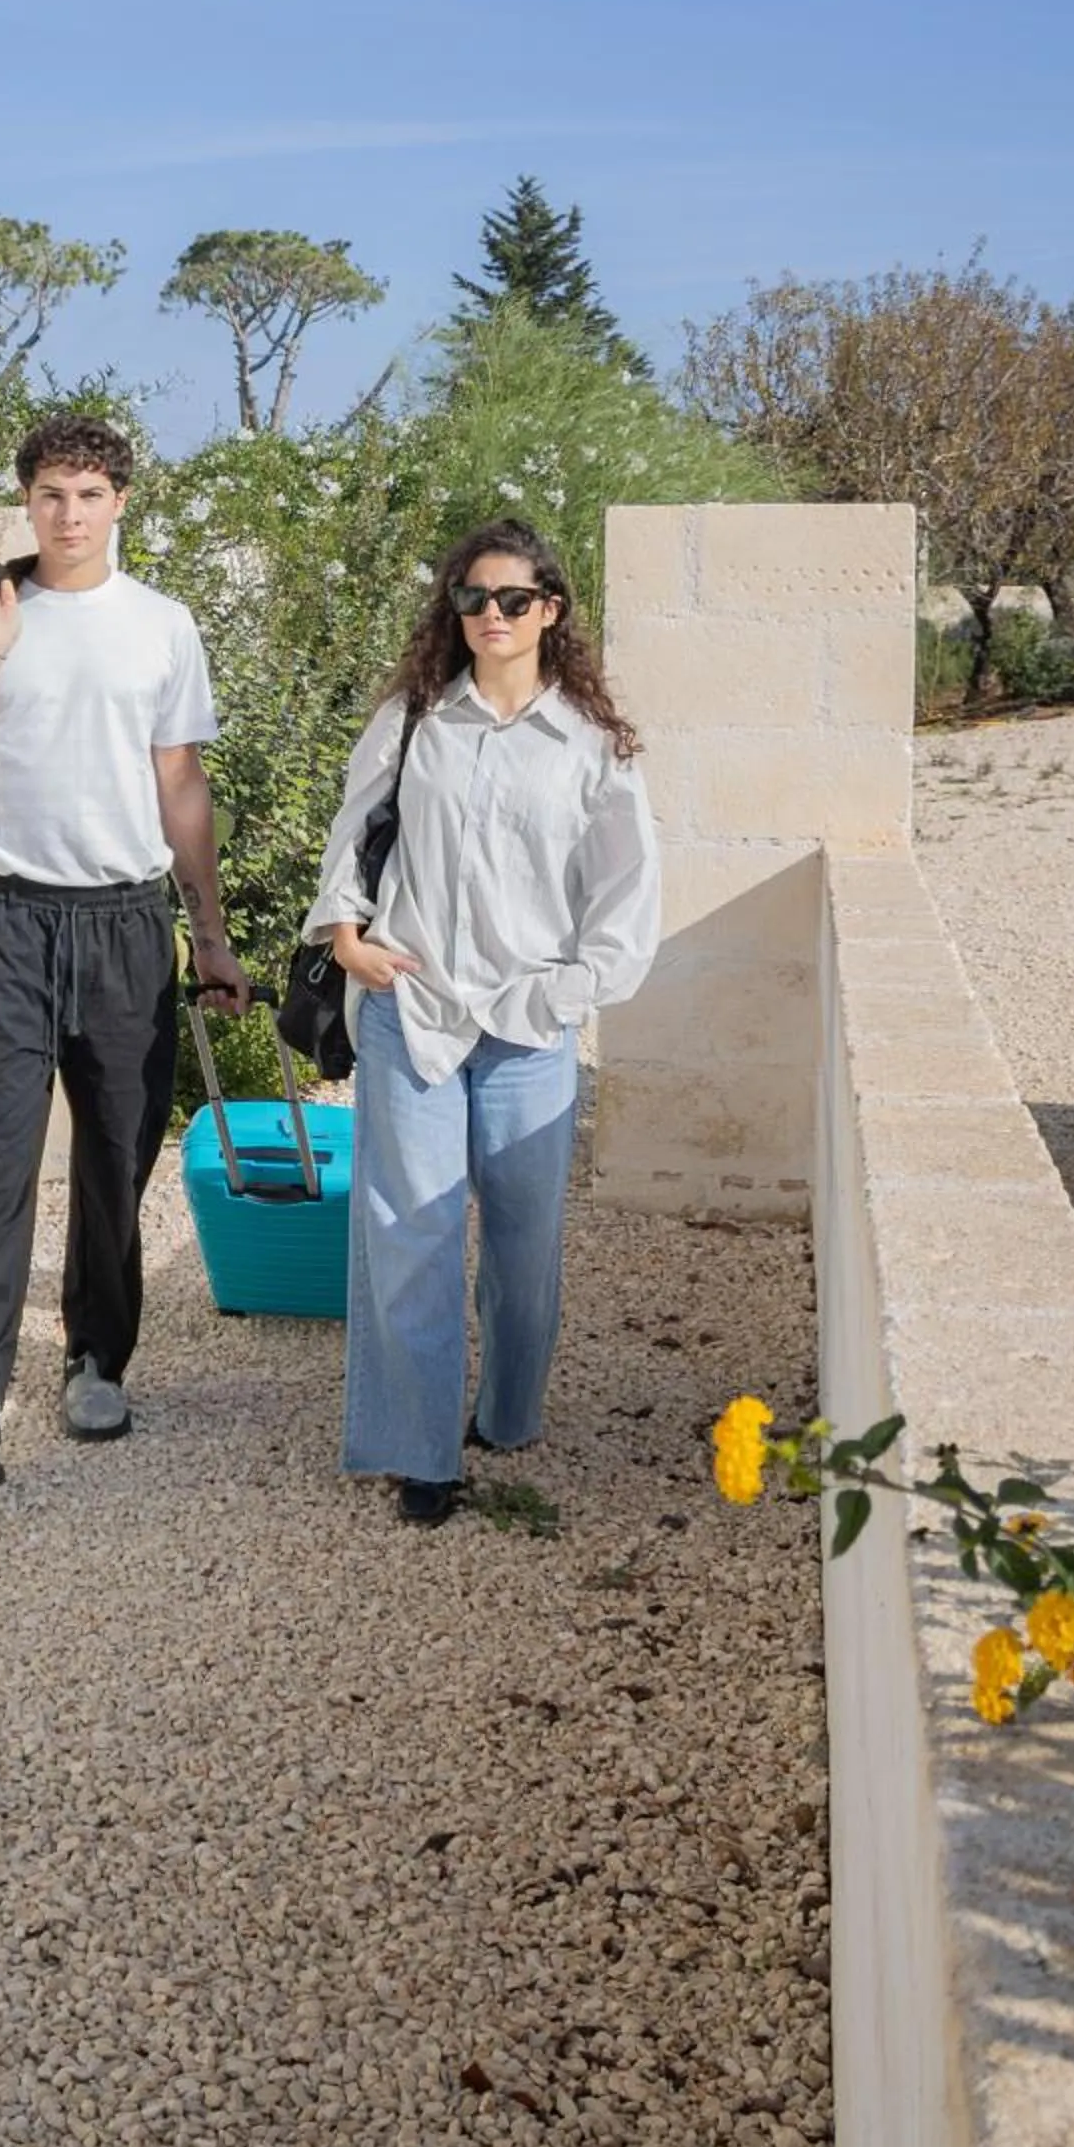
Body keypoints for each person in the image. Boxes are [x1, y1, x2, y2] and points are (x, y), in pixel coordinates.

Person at [0, 413, 251, 1487]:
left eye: (90, 494)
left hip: (126, 924)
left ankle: (96, 1358)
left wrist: (210, 932)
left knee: (114, 1158)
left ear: (120, 502)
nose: (69, 514)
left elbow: (179, 783)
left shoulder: (162, 626)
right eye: (51, 493)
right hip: (3, 922)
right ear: (27, 501)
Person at [303, 517, 660, 1526]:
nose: (490, 614)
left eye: (512, 599)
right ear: (452, 610)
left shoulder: (593, 745)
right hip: (410, 1008)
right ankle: (420, 1450)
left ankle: (507, 1413)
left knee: (523, 1243)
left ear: (550, 610)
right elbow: (353, 830)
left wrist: (563, 994)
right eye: (472, 598)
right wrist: (346, 938)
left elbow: (628, 892)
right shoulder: (413, 718)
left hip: (528, 1026)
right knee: (407, 1234)